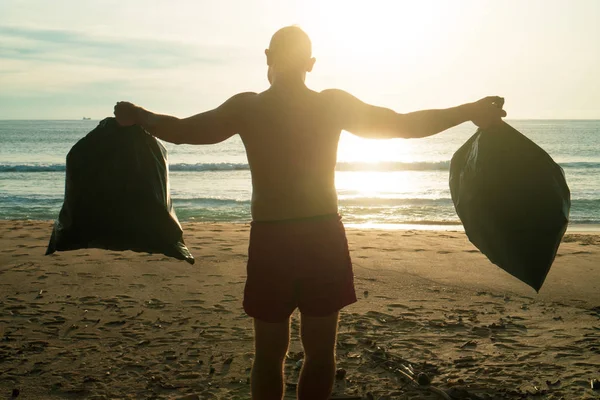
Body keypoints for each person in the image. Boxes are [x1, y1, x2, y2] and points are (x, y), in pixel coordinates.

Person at [114, 25, 506, 400]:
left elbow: (186, 130)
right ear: (311, 63)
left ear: (267, 57)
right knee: (319, 353)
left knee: (269, 354)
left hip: (272, 240)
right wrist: (467, 110)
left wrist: (141, 116)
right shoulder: (329, 104)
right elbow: (402, 125)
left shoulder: (248, 107)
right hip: (322, 238)